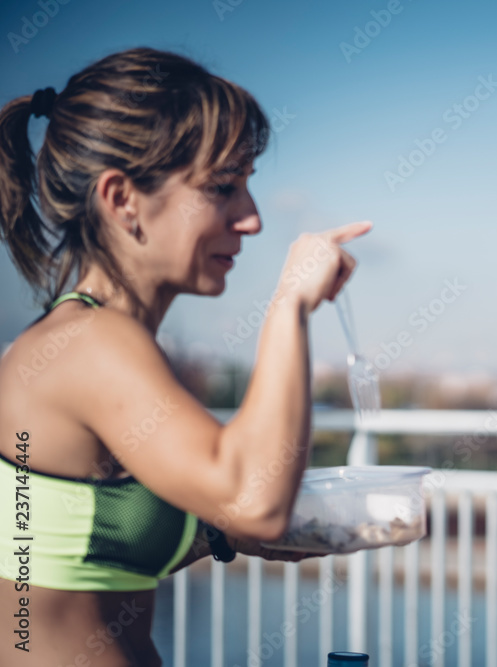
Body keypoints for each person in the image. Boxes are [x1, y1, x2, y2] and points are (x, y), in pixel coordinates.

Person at [0, 48, 370, 666]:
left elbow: (79, 540)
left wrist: (214, 533)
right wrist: (289, 305)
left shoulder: (88, 337)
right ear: (122, 199)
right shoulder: (92, 343)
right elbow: (254, 498)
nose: (251, 220)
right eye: (223, 188)